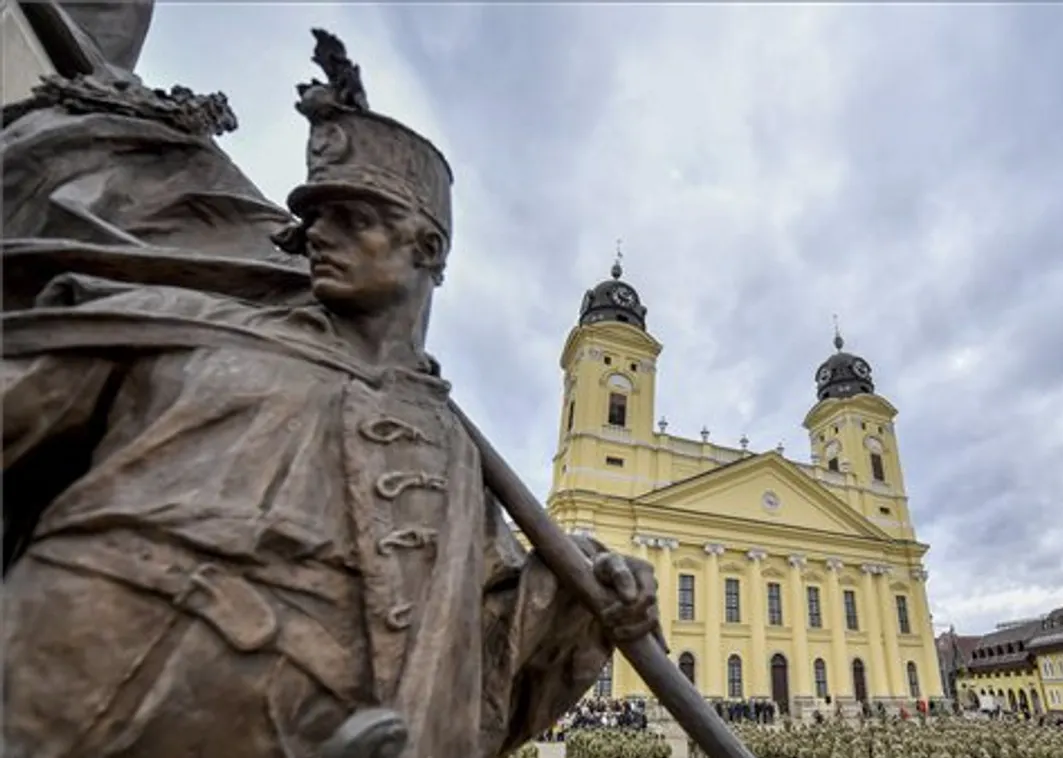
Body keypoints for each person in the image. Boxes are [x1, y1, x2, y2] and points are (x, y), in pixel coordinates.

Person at [2, 29, 659, 758]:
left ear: (427, 248)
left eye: (354, 219)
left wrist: (587, 591)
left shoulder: (452, 453)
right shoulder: (189, 329)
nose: (319, 235)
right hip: (55, 700)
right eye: (315, 218)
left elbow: (479, 643)